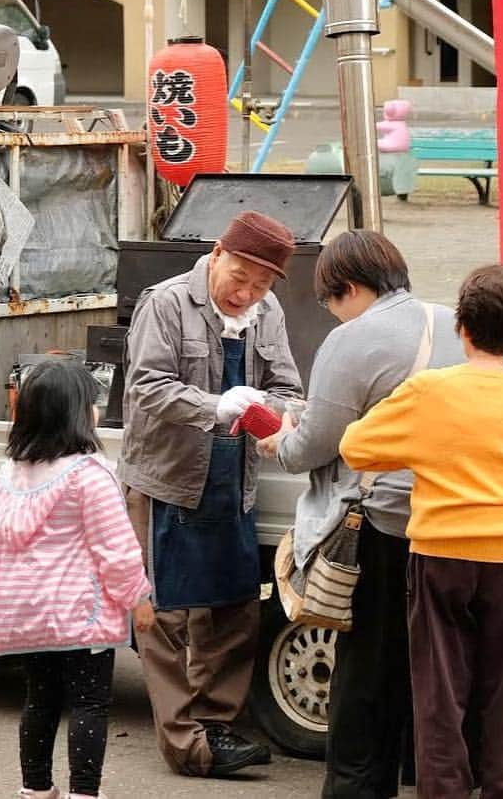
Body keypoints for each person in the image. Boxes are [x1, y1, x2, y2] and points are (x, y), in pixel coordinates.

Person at [340, 264, 503, 799]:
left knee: (440, 693)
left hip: (441, 549)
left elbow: (355, 445)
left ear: (460, 327)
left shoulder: (427, 392)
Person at [256, 229, 463, 798]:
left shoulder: (353, 341)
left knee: (367, 669)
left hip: (385, 523)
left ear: (346, 288)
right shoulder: (451, 322)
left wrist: (280, 439)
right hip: (453, 520)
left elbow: (317, 445)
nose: (330, 312)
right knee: (434, 665)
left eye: (328, 300)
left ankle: (357, 787)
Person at [117, 210, 303, 777]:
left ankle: (216, 723)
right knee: (166, 617)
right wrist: (213, 406)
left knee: (234, 608)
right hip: (168, 478)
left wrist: (275, 415)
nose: (246, 294)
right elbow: (146, 386)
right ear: (218, 254)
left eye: (261, 284)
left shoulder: (265, 312)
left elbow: (289, 387)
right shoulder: (167, 303)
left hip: (233, 482)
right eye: (240, 278)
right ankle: (186, 747)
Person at [0, 360, 155, 799]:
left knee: (41, 700)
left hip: (29, 613)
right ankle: (83, 793)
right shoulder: (89, 475)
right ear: (75, 414)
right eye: (91, 404)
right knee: (89, 704)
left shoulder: (9, 473)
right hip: (82, 614)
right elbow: (114, 548)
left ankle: (36, 790)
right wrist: (138, 598)